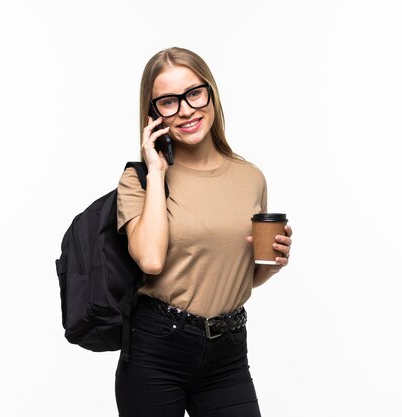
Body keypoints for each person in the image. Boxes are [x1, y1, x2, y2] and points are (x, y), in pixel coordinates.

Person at [114, 47, 293, 417]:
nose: (185, 109)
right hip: (157, 348)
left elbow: (231, 276)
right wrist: (158, 170)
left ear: (211, 93)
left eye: (194, 93)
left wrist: (271, 264)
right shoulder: (139, 180)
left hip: (228, 351)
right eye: (168, 101)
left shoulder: (250, 177)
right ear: (153, 114)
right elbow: (150, 259)